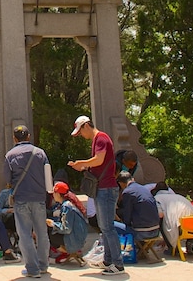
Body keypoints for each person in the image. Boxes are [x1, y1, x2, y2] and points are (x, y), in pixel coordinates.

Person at [68, 114, 124, 275]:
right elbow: (99, 163)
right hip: (104, 188)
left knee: (107, 227)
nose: (81, 136)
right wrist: (84, 167)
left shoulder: (101, 138)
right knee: (105, 227)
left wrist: (82, 163)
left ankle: (118, 264)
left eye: (80, 132)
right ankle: (108, 260)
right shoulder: (98, 139)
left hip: (106, 188)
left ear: (86, 125)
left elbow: (99, 160)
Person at [5, 125, 50, 279]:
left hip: (21, 198)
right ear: (29, 136)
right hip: (39, 198)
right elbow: (48, 177)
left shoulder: (10, 155)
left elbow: (7, 180)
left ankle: (32, 268)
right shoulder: (40, 153)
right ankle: (43, 265)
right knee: (42, 232)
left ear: (14, 138)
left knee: (25, 234)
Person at [152, 183, 193, 253]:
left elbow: (160, 215)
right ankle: (190, 242)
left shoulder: (157, 198)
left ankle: (172, 248)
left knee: (162, 222)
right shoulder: (178, 196)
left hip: (179, 227)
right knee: (189, 219)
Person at [114, 172, 163, 256]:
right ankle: (141, 249)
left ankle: (114, 253)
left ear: (121, 183)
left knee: (110, 225)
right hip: (155, 231)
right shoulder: (144, 189)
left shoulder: (127, 192)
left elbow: (127, 214)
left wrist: (122, 222)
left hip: (143, 233)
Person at [46, 181, 89, 265]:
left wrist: (52, 224)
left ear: (58, 194)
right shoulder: (68, 204)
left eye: (54, 193)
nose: (53, 195)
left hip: (74, 240)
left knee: (48, 233)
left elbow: (66, 228)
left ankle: (66, 252)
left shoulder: (66, 206)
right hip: (78, 238)